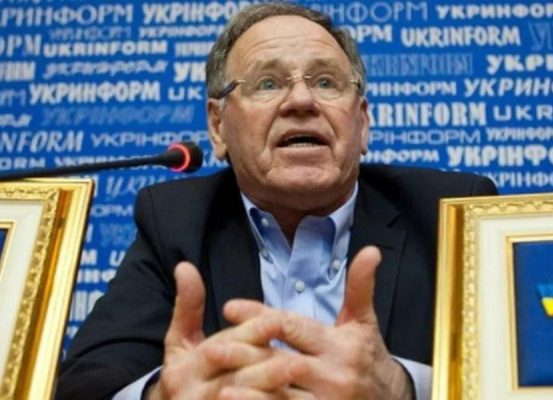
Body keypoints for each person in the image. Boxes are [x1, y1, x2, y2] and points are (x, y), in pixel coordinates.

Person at [56, 3, 497, 400]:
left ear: (362, 124)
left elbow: (522, 375)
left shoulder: (453, 214)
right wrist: (162, 394)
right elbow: (86, 384)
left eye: (326, 82)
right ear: (218, 127)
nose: (301, 101)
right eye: (267, 83)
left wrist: (405, 387)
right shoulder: (175, 223)